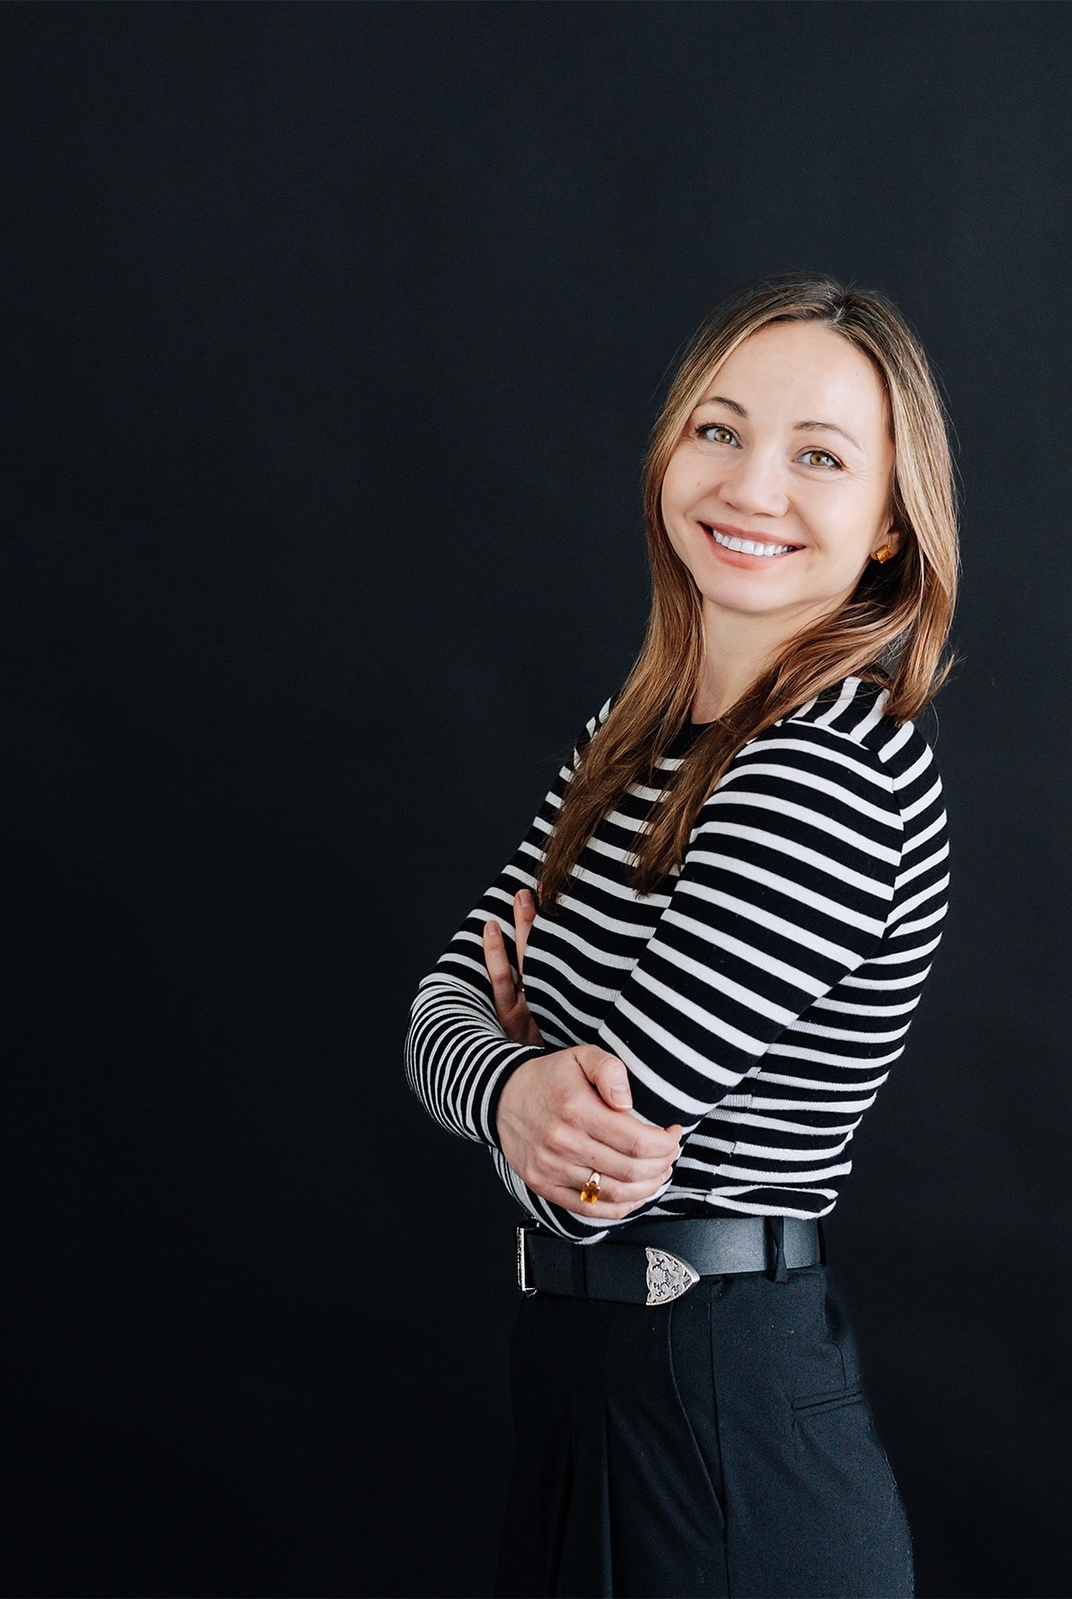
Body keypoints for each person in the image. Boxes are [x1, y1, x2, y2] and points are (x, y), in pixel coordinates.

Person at [405, 271, 959, 1598]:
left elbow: (597, 1176)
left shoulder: (828, 770)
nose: (751, 487)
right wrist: (517, 1086)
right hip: (592, 1393)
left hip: (717, 1421)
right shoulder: (636, 738)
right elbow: (434, 1011)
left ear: (891, 522)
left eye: (818, 456)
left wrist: (516, 1069)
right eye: (720, 429)